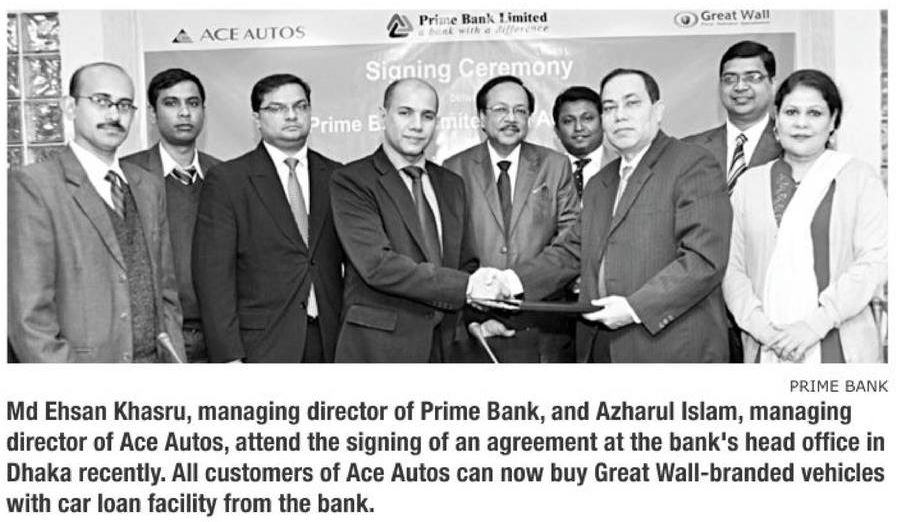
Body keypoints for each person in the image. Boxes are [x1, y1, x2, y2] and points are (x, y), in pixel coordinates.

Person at [496, 68, 732, 363]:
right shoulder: (600, 184)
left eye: (632, 103)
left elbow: (704, 259)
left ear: (658, 110)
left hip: (670, 348)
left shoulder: (693, 164)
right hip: (602, 347)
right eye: (609, 107)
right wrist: (509, 282)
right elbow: (572, 251)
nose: (620, 116)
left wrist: (635, 308)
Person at [8, 62, 185, 363]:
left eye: (124, 105)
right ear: (70, 107)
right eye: (102, 101)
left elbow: (167, 295)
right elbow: (29, 320)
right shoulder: (34, 186)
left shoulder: (147, 186)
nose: (114, 115)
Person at [331, 78, 500, 363]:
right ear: (383, 116)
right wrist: (467, 287)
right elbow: (378, 266)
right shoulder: (352, 181)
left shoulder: (451, 184)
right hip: (379, 350)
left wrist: (475, 315)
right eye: (405, 113)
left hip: (445, 347)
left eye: (427, 115)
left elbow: (466, 262)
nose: (417, 125)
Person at [723, 69, 887, 363]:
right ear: (776, 118)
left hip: (839, 344)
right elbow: (731, 267)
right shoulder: (749, 184)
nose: (801, 123)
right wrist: (764, 330)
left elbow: (874, 261)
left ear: (833, 121)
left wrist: (815, 325)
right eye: (791, 112)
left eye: (814, 113)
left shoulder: (859, 178)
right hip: (766, 345)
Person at [192, 74, 343, 363]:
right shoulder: (228, 181)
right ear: (257, 119)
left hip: (330, 342)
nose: (292, 115)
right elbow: (213, 278)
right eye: (277, 108)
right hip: (262, 346)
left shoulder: (337, 176)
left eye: (300, 106)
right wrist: (228, 356)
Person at [443, 75, 579, 363]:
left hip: (542, 317)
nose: (511, 118)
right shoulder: (454, 169)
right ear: (482, 118)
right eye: (500, 110)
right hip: (476, 320)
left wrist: (518, 282)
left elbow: (570, 241)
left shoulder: (555, 165)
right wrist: (473, 310)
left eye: (520, 111)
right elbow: (451, 249)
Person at [123, 68, 221, 362]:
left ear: (203, 111)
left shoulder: (226, 176)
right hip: (156, 337)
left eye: (193, 103)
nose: (184, 113)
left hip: (220, 335)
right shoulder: (127, 176)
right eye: (171, 103)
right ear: (153, 114)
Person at [684, 40, 782, 191]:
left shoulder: (789, 146)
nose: (740, 87)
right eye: (730, 79)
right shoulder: (688, 149)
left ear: (773, 84)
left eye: (752, 77)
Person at [553, 85, 616, 201]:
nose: (578, 128)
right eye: (568, 121)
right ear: (557, 131)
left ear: (603, 123)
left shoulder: (623, 165)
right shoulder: (545, 172)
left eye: (587, 118)